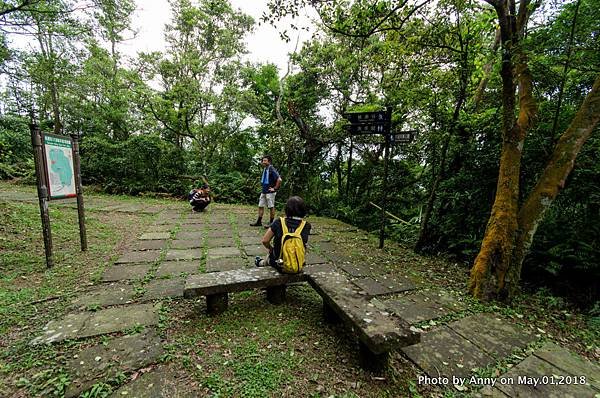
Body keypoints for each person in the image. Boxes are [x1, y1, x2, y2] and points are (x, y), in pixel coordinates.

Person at [255, 196, 311, 270]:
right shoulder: (306, 225)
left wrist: (271, 248)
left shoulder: (279, 222)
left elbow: (265, 241)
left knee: (270, 257)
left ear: (287, 209)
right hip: (297, 262)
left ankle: (260, 262)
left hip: (279, 262)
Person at [250, 155, 282, 228]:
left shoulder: (271, 169)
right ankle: (259, 221)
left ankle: (271, 223)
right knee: (260, 206)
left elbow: (279, 179)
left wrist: (275, 188)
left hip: (270, 192)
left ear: (269, 162)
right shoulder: (266, 169)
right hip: (264, 191)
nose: (263, 162)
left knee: (271, 207)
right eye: (263, 160)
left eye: (265, 161)